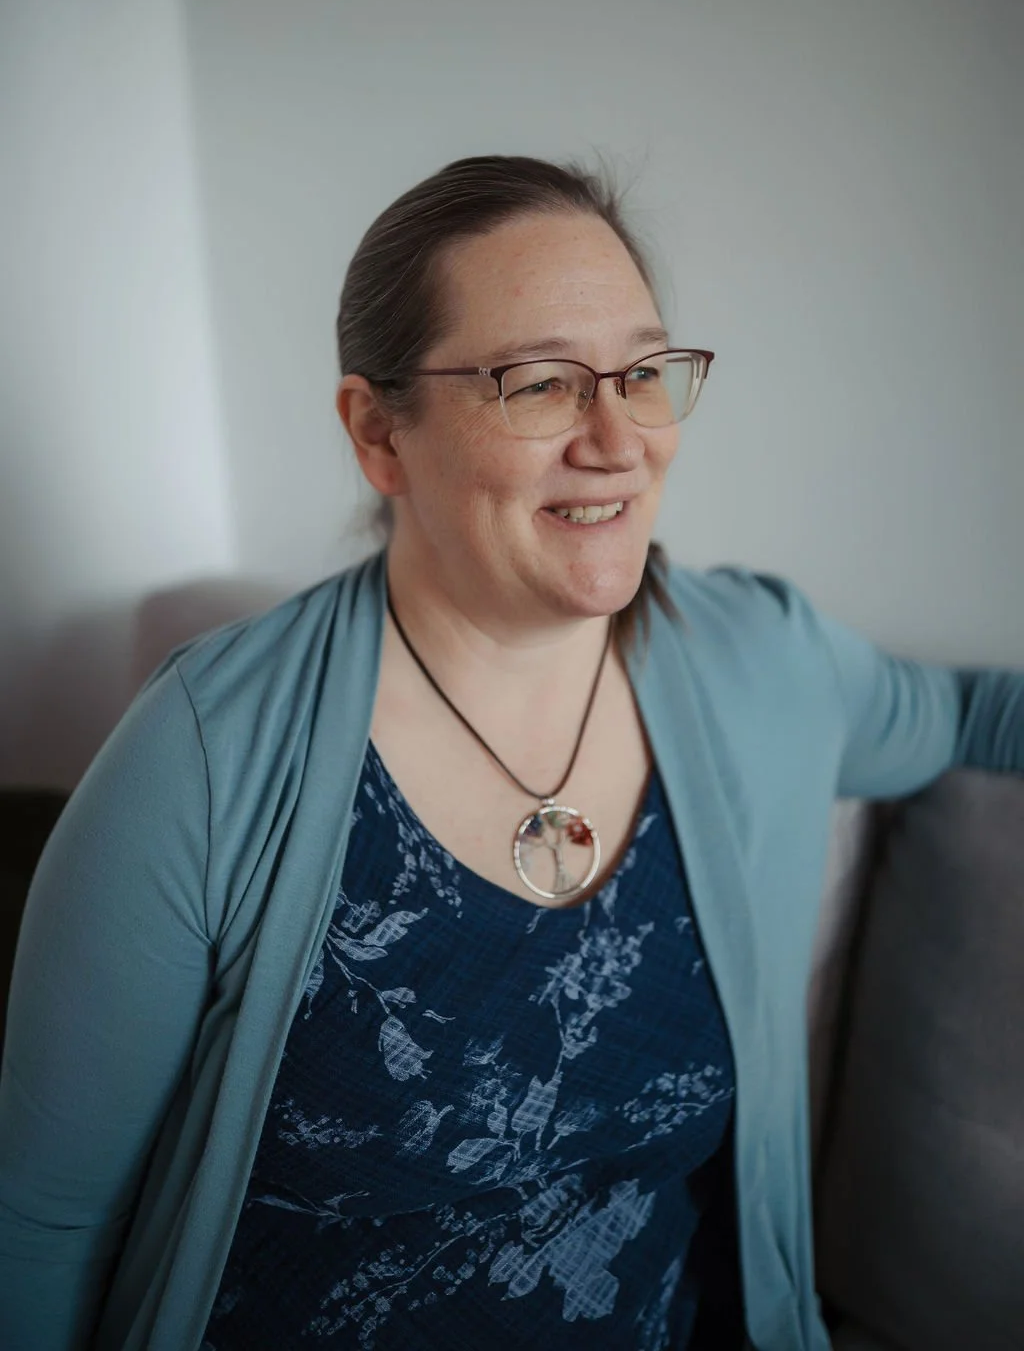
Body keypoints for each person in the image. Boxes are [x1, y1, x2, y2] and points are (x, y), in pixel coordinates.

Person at [0, 156, 1021, 1351]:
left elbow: (961, 716)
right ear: (379, 435)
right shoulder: (204, 759)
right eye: (539, 384)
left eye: (641, 374)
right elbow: (41, 1227)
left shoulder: (759, 665)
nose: (616, 439)